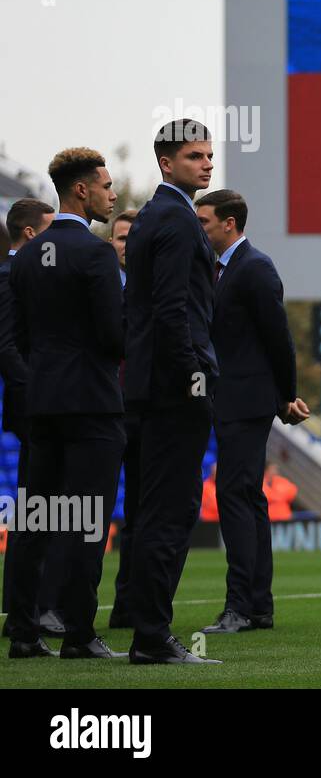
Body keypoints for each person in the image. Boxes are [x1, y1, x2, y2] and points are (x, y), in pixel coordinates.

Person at [7, 149, 126, 659]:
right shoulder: (98, 255)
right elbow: (113, 337)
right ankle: (79, 634)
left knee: (36, 519)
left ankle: (24, 632)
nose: (112, 194)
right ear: (82, 190)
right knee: (86, 520)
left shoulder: (26, 256)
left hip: (41, 405)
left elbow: (16, 336)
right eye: (106, 186)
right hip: (92, 406)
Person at [124, 118, 221, 665]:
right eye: (194, 157)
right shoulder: (179, 221)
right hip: (172, 390)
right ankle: (152, 637)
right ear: (166, 163)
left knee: (154, 512)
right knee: (171, 511)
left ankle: (147, 632)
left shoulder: (151, 218)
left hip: (147, 386)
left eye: (208, 155)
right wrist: (193, 380)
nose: (206, 164)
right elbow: (172, 311)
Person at [196, 189, 306, 635]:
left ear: (229, 223)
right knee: (247, 499)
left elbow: (277, 336)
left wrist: (285, 396)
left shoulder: (254, 268)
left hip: (247, 401)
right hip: (235, 399)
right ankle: (257, 605)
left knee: (236, 498)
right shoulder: (220, 270)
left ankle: (240, 606)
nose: (198, 228)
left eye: (204, 221)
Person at [0, 198, 55, 641]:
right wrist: (34, 390)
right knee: (35, 513)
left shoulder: (28, 274)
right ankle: (24, 616)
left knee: (43, 512)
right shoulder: (9, 276)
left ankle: (31, 612)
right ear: (32, 234)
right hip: (34, 408)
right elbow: (7, 346)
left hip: (40, 405)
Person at [107, 208, 141, 630]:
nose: (127, 246)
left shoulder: (155, 289)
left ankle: (127, 606)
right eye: (120, 239)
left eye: (134, 238)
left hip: (140, 410)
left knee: (139, 510)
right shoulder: (99, 287)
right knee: (85, 509)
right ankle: (60, 607)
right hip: (100, 409)